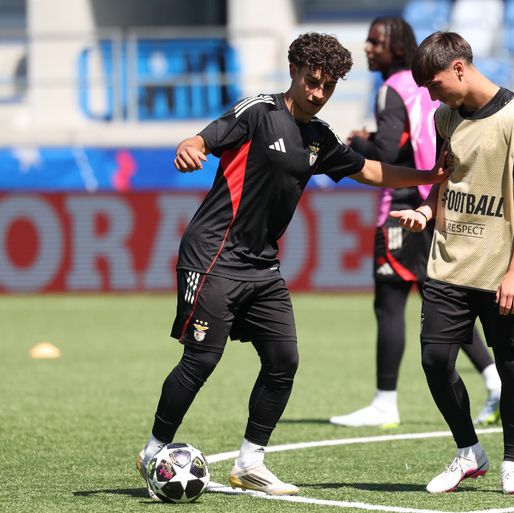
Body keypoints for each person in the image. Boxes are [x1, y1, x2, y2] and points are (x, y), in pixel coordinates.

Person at [135, 32, 452, 499]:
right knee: (202, 358)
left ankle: (250, 462)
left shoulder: (318, 138)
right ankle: (154, 448)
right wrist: (191, 145)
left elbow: (367, 170)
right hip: (213, 256)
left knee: (284, 360)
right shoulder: (259, 112)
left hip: (261, 267)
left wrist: (429, 176)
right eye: (312, 82)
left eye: (328, 87)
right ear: (294, 72)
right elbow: (205, 137)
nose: (318, 93)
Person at [390, 32, 514, 495]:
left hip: (503, 267)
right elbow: (447, 178)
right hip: (449, 262)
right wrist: (427, 210)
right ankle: (469, 452)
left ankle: (513, 465)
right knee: (434, 359)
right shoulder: (446, 117)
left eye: (435, 83)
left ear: (459, 68)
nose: (430, 94)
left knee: (512, 364)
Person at [329, 16, 502, 429]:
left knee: (389, 301)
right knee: (443, 301)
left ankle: (385, 402)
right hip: (438, 199)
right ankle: (495, 379)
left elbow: (388, 149)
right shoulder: (430, 84)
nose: (368, 48)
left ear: (396, 46)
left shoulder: (392, 89)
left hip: (406, 202)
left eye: (375, 42)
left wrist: (357, 143)